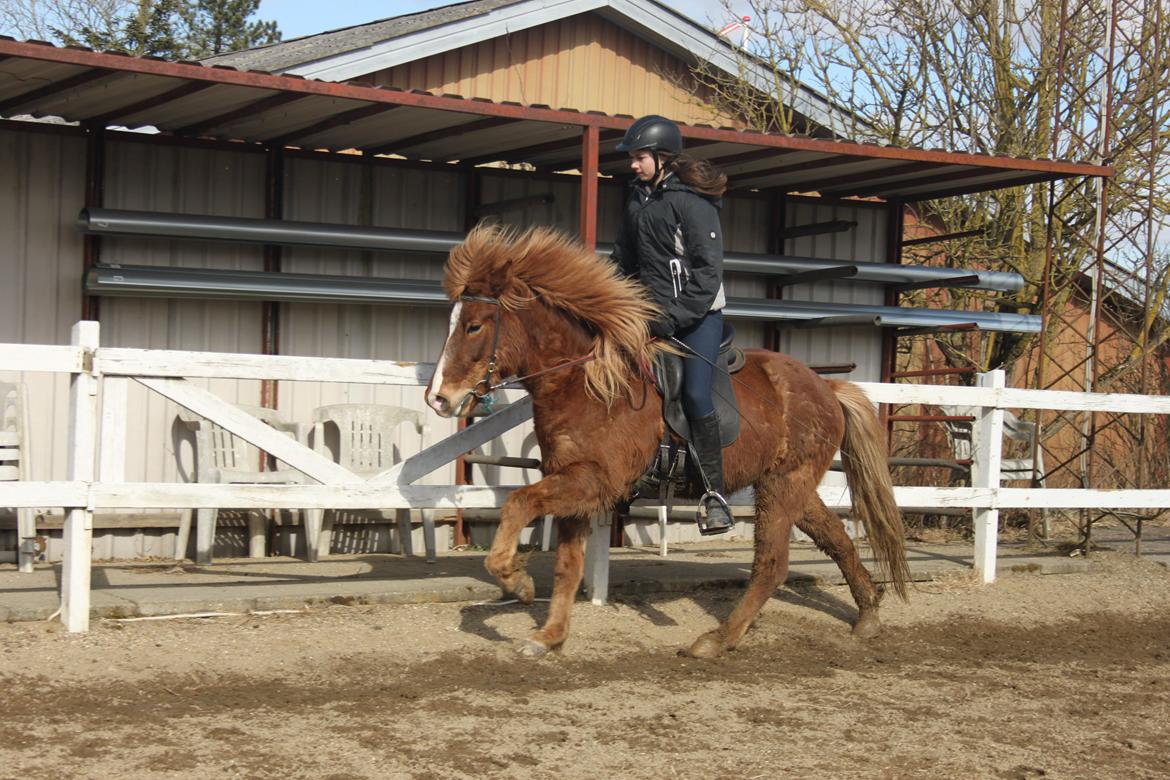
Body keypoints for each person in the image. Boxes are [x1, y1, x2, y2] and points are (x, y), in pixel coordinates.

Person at [610, 114, 734, 536]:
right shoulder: (636, 201)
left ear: (662, 158)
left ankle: (714, 496)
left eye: (640, 157)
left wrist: (674, 317)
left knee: (697, 393)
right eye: (632, 158)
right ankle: (631, 473)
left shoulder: (693, 204)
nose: (633, 164)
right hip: (650, 317)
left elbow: (707, 273)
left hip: (698, 316)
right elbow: (624, 261)